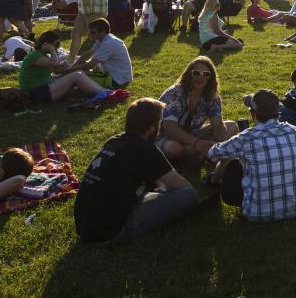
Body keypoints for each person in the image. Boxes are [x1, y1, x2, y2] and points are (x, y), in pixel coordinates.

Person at [73, 98, 199, 242]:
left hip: (84, 226)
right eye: (159, 123)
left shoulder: (114, 141)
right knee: (189, 195)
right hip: (110, 231)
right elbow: (182, 185)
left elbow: (140, 171)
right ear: (152, 127)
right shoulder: (145, 149)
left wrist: (161, 184)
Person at [206, 89, 296, 221]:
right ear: (278, 113)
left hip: (256, 213)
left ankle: (212, 182)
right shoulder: (292, 130)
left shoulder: (247, 137)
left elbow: (213, 154)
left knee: (230, 160)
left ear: (253, 113)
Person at [156, 57, 240, 167]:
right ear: (188, 74)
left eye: (206, 74)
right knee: (173, 149)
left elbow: (218, 125)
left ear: (211, 78)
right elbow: (169, 128)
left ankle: (199, 155)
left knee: (232, 126)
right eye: (196, 73)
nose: (201, 76)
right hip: (165, 136)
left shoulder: (211, 96)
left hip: (192, 134)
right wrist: (196, 143)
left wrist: (220, 145)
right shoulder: (175, 93)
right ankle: (199, 156)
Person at [17, 30, 109, 105]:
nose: (58, 46)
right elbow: (55, 63)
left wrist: (73, 67)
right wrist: (52, 49)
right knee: (77, 75)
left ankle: (104, 92)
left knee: (80, 74)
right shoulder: (35, 56)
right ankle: (107, 94)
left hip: (44, 88)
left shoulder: (42, 54)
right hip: (36, 93)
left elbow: (57, 71)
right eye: (56, 44)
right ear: (46, 44)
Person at [72, 18, 133, 88]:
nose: (91, 35)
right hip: (115, 75)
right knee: (79, 70)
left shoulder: (109, 43)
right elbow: (88, 54)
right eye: (90, 32)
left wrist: (68, 71)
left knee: (77, 77)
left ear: (103, 31)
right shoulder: (101, 39)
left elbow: (90, 65)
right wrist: (73, 67)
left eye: (93, 32)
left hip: (117, 80)